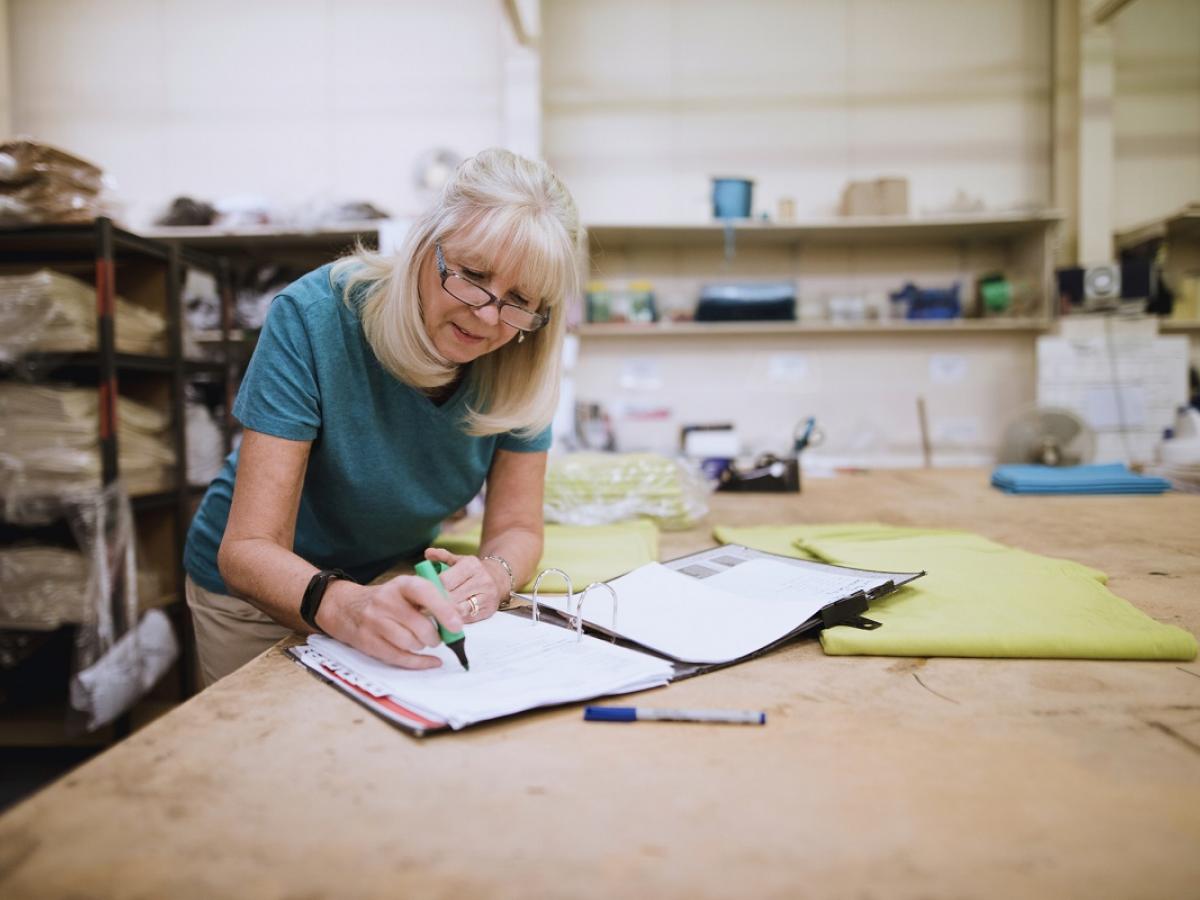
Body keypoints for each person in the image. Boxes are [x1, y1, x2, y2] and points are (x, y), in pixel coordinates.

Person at [182, 148, 580, 686]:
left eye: (519, 300)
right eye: (472, 275)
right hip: (256, 597)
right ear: (423, 247)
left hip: (388, 579)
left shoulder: (521, 357)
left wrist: (493, 576)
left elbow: (515, 525)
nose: (487, 316)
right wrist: (347, 607)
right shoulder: (316, 316)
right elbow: (248, 550)